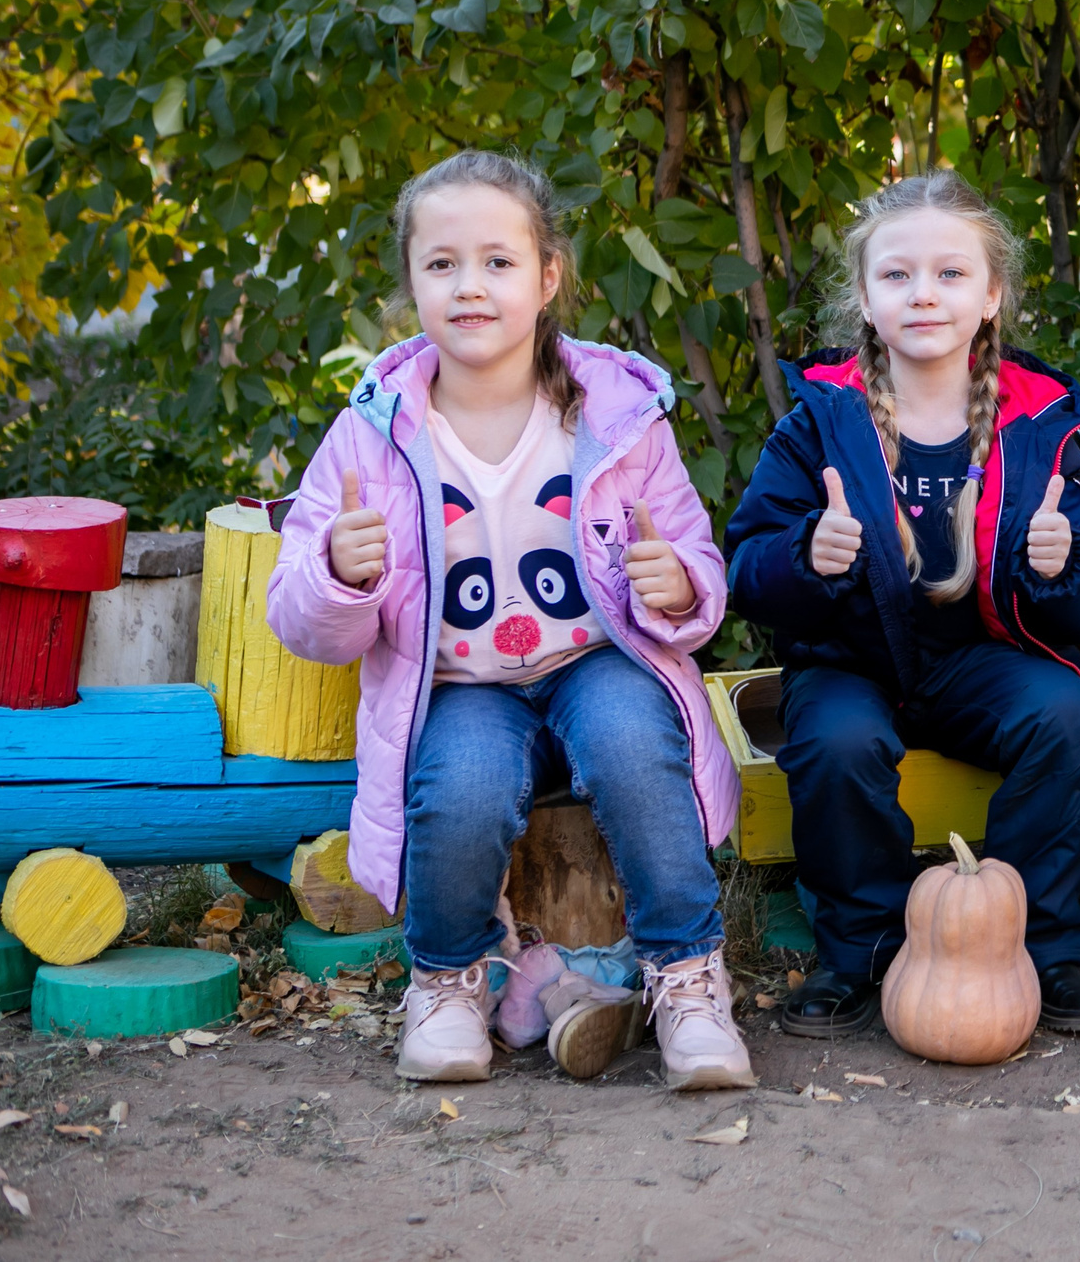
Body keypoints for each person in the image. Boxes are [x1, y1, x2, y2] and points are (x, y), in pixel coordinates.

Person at [267, 151, 751, 1091]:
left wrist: (678, 585)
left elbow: (694, 558)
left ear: (547, 277)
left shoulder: (617, 414)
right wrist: (335, 571)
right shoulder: (372, 434)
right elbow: (304, 618)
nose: (470, 285)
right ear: (411, 285)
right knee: (460, 784)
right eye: (441, 264)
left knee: (631, 739)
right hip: (457, 684)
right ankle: (449, 980)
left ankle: (687, 976)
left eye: (497, 261)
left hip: (595, 660)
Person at [722, 172, 1080, 1037]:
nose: (924, 294)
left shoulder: (1038, 420)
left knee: (1063, 716)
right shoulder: (821, 421)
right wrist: (808, 556)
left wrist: (1057, 566)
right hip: (854, 661)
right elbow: (745, 570)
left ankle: (1039, 949)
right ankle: (860, 952)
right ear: (865, 300)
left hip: (985, 658)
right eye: (897, 275)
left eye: (950, 274)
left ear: (991, 297)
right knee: (834, 741)